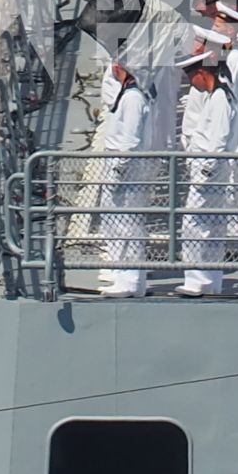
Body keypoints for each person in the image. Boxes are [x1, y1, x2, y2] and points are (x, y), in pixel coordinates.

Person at [178, 52, 237, 296]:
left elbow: (219, 138)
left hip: (208, 173)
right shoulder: (217, 97)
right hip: (210, 170)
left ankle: (197, 280)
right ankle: (211, 280)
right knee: (212, 226)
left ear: (202, 73)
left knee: (194, 224)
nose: (193, 84)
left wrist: (205, 171)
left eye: (192, 78)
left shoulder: (220, 98)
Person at [101, 62, 153, 298]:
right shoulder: (128, 93)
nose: (112, 66)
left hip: (126, 168)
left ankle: (130, 279)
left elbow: (130, 138)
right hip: (119, 164)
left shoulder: (133, 98)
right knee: (115, 221)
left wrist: (119, 168)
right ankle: (123, 274)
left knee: (127, 223)